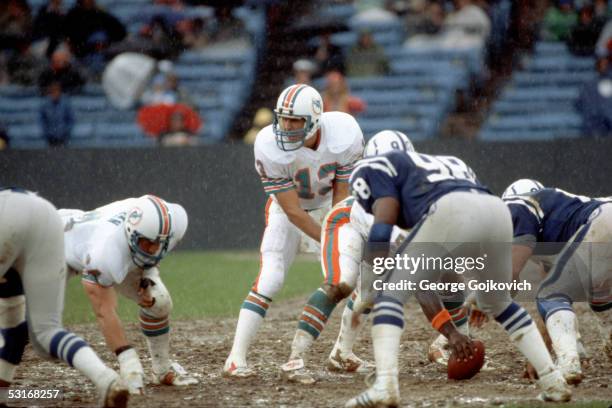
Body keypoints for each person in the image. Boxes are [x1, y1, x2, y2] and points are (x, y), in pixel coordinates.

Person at [345, 151, 571, 406]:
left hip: (452, 209)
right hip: (496, 210)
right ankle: (553, 381)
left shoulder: (371, 169)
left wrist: (374, 276)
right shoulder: (441, 165)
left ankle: (385, 386)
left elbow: (384, 220)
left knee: (391, 295)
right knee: (498, 303)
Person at [223, 84, 364, 377]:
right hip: (287, 212)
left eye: (295, 120)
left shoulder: (344, 133)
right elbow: (293, 211)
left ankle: (343, 352)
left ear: (314, 118)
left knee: (359, 280)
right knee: (270, 278)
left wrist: (336, 234)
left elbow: (342, 196)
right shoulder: (268, 145)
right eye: (283, 118)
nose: (286, 126)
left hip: (330, 208)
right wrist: (329, 239)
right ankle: (236, 358)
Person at [280, 130, 417, 383]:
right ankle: (295, 359)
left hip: (373, 235)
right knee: (340, 283)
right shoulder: (371, 194)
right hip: (345, 223)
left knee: (371, 293)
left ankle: (342, 353)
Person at [0, 188, 129, 408]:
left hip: (8, 215)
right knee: (46, 330)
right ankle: (107, 380)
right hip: (47, 215)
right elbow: (14, 329)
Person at [59, 195, 198, 395]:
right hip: (58, 245)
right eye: (146, 243)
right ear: (132, 233)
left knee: (159, 302)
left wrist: (147, 273)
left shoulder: (171, 223)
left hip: (106, 246)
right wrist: (128, 361)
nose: (151, 248)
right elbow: (103, 310)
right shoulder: (106, 252)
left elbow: (152, 245)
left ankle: (162, 369)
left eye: (156, 244)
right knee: (32, 324)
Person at [502, 179, 612, 384]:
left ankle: (568, 364)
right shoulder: (557, 214)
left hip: (604, 222)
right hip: (604, 222)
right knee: (600, 294)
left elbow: (512, 274)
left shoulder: (518, 206)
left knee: (550, 296)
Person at [40, 81, 74, 147]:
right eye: (53, 91)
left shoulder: (65, 103)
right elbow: (42, 120)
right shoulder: (45, 104)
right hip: (50, 136)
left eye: (56, 91)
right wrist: (46, 132)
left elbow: (71, 119)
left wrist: (66, 131)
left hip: (63, 136)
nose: (55, 93)